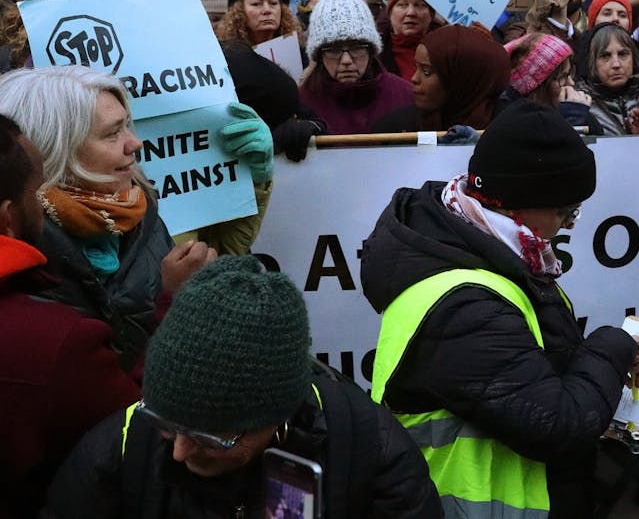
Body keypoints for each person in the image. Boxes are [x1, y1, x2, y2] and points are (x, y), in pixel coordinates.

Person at [361, 101, 639, 519]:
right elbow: (556, 425)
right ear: (517, 205)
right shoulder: (465, 306)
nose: (568, 225)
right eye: (565, 212)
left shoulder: (476, 245)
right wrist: (612, 344)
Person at [48, 256, 441, 518]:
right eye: (166, 422)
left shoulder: (368, 449)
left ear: (277, 415)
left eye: (208, 438)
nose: (181, 452)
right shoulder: (117, 452)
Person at [0, 66, 273, 368]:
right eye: (112, 132)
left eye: (127, 126)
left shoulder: (140, 208)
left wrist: (253, 182)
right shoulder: (24, 252)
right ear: (55, 148)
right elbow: (105, 379)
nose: (135, 143)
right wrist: (174, 303)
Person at [0, 114, 141, 517]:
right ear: (9, 215)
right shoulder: (53, 343)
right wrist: (174, 308)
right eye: (37, 188)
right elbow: (137, 429)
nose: (134, 144)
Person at [299, 0, 413, 135]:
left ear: (371, 50)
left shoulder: (405, 96)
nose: (346, 60)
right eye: (333, 50)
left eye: (356, 48)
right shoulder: (301, 104)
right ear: (319, 55)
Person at [372, 23, 510, 135]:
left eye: (426, 71)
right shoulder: (394, 130)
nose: (414, 78)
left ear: (461, 78)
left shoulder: (510, 132)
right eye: (416, 67)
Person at [577, 22, 639, 136]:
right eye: (605, 56)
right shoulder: (581, 106)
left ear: (634, 58)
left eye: (623, 54)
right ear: (592, 62)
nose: (616, 64)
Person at [502, 32, 601, 133]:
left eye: (570, 74)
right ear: (537, 87)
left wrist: (581, 113)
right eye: (563, 77)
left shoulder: (563, 106)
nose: (571, 83)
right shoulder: (514, 123)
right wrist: (572, 121)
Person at [378, 0, 435, 80]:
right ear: (389, 12)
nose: (411, 12)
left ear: (431, 14)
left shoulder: (447, 53)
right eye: (403, 5)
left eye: (419, 5)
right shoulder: (374, 56)